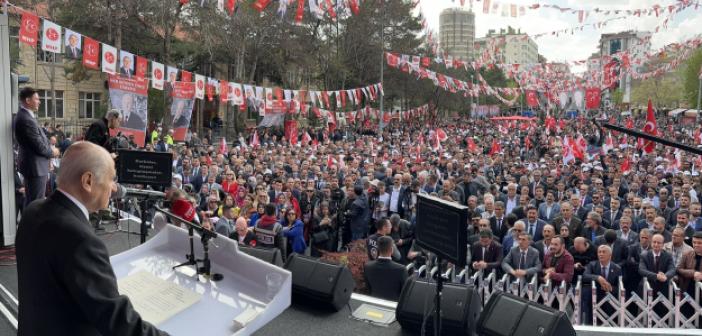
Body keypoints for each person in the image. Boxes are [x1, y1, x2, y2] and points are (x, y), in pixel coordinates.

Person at [15, 141, 168, 335]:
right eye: (111, 179)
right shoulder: (79, 239)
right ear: (88, 181)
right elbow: (119, 322)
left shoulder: (33, 210)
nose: (114, 188)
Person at [13, 87, 60, 207]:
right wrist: (53, 152)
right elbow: (39, 146)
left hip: (37, 166)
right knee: (35, 204)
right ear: (28, 100)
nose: (39, 101)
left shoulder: (27, 116)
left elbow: (40, 140)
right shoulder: (25, 119)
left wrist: (48, 159)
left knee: (33, 202)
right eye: (37, 99)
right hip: (35, 168)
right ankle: (32, 226)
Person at [582, 245, 623, 325]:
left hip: (610, 300)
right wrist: (598, 277)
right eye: (599, 252)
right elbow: (585, 276)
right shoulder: (592, 265)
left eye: (604, 252)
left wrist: (610, 288)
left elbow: (619, 287)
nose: (601, 254)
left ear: (610, 255)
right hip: (594, 299)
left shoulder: (617, 268)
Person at [363, 236, 408, 301]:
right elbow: (405, 293)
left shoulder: (367, 266)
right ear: (392, 250)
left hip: (374, 303)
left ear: (378, 249)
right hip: (393, 305)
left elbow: (368, 288)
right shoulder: (401, 269)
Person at [676, 232, 702, 296]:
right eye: (694, 242)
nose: (696, 245)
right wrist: (693, 273)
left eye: (699, 243)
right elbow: (678, 269)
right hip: (687, 290)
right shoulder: (687, 254)